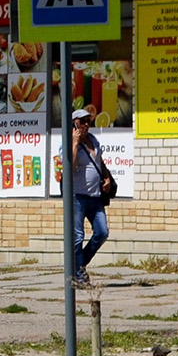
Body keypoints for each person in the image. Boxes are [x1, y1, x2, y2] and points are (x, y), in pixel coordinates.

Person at [70, 107, 109, 285]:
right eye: (81, 122)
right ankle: (78, 274)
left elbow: (99, 162)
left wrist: (106, 177)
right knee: (78, 236)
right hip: (78, 196)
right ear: (74, 123)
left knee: (102, 232)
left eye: (88, 121)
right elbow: (70, 167)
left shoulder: (94, 140)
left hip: (95, 196)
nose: (86, 125)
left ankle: (79, 263)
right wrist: (75, 144)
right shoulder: (70, 142)